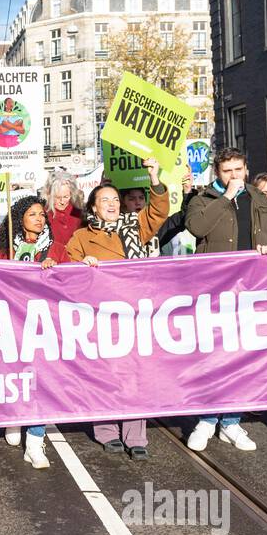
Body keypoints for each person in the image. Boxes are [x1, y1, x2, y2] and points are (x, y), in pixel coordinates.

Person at [64, 158, 168, 460]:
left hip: (133, 313)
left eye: (113, 200)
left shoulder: (135, 226)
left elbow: (159, 210)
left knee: (135, 373)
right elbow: (67, 269)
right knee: (104, 374)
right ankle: (107, 430)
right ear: (93, 208)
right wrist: (80, 265)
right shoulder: (82, 237)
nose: (110, 204)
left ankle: (136, 435)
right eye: (103, 201)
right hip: (99, 316)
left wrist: (154, 177)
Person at [183, 148, 267, 452]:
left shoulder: (258, 197)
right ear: (217, 173)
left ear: (246, 168)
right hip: (215, 289)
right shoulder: (203, 199)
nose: (234, 176)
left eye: (238, 170)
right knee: (215, 357)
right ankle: (206, 419)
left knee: (243, 358)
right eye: (228, 171)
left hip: (251, 288)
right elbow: (196, 228)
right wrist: (226, 196)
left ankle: (230, 422)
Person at [0, 195, 55, 469]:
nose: (39, 219)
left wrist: (55, 270)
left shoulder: (55, 249)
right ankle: (13, 416)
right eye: (33, 215)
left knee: (40, 382)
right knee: (14, 376)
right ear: (20, 219)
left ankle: (35, 441)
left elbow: (72, 278)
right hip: (10, 324)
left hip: (43, 325)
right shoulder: (5, 249)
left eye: (42, 215)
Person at [42, 171, 83, 262]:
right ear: (48, 194)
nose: (62, 201)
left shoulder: (77, 212)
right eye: (57, 197)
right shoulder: (43, 214)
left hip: (74, 260)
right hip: (52, 261)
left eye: (66, 197)